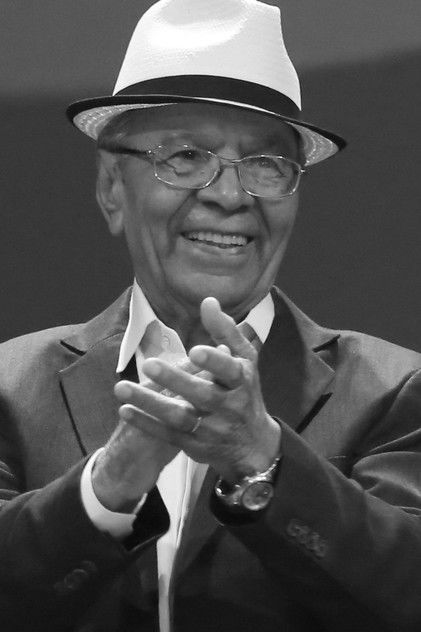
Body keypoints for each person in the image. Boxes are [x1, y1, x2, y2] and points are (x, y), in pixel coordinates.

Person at [0, 1, 420, 631]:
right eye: (186, 157)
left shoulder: (394, 392)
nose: (228, 195)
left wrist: (263, 457)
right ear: (112, 187)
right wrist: (106, 489)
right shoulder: (10, 389)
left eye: (266, 166)